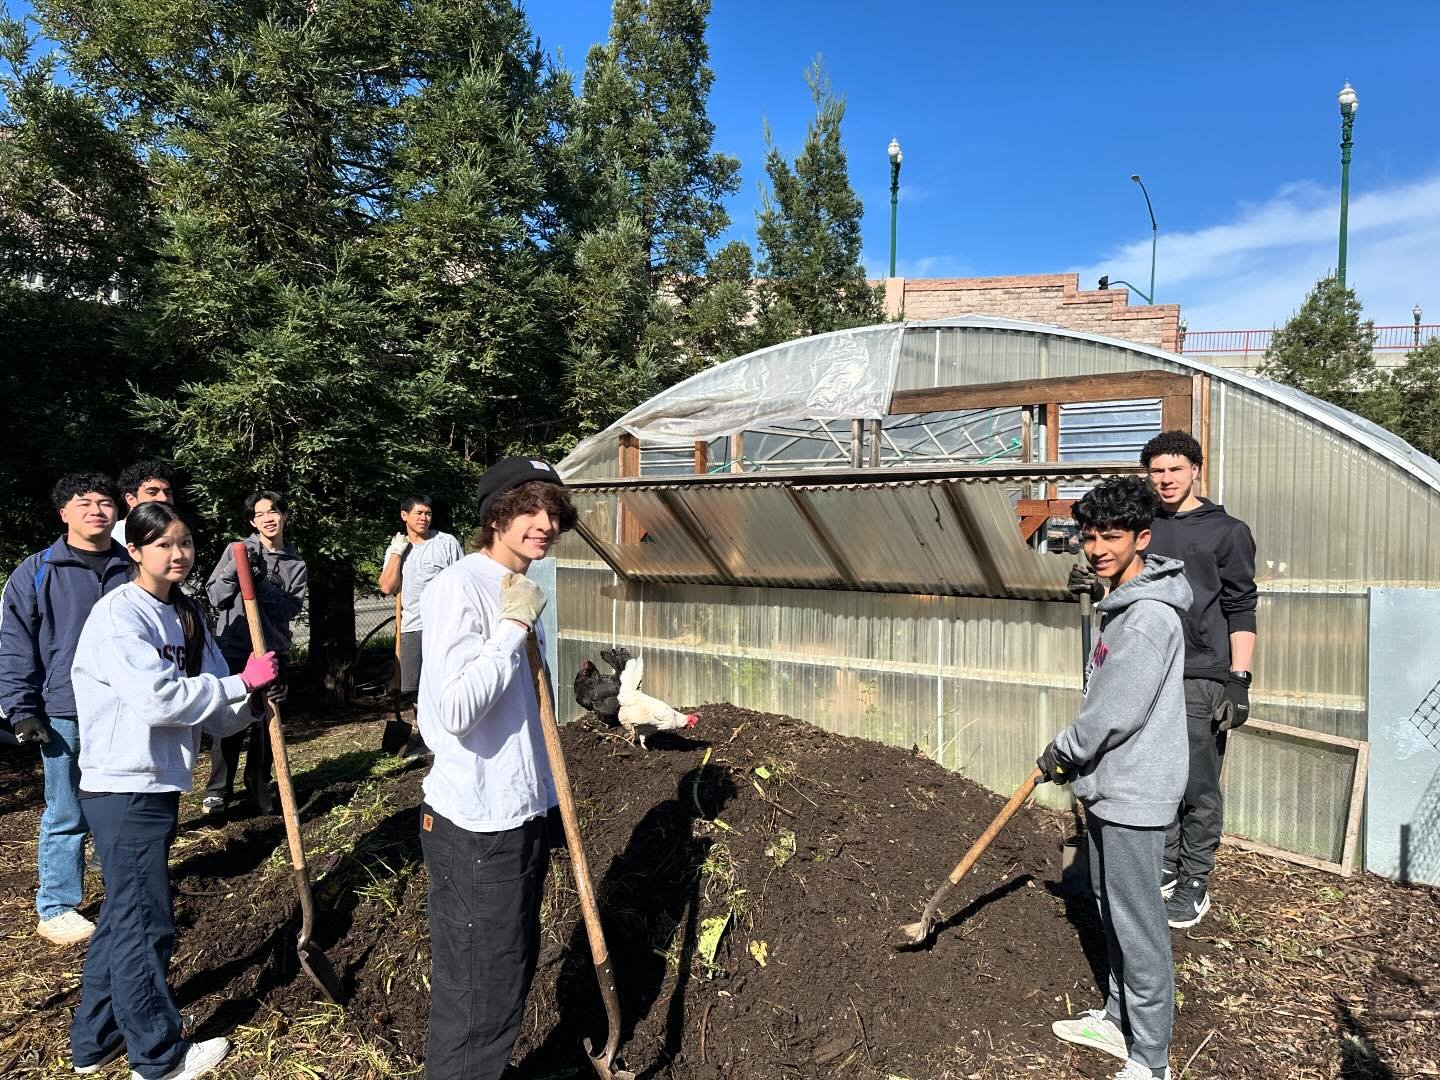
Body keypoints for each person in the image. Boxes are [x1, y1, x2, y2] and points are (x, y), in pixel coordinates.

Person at [68, 501, 280, 1079]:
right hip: (122, 784)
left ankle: (94, 1039)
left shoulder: (185, 616)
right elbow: (159, 700)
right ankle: (159, 1058)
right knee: (145, 923)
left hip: (156, 781)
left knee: (123, 917)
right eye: (161, 544)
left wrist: (253, 703)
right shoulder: (120, 616)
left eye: (184, 542)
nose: (177, 553)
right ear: (133, 551)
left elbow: (214, 706)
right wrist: (240, 682)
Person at [416, 458, 575, 1080]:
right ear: (496, 516)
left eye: (555, 511)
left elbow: (524, 715)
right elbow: (451, 711)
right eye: (531, 509)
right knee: (478, 993)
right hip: (477, 826)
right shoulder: (462, 586)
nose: (546, 523)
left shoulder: (523, 583)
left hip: (518, 813)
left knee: (505, 973)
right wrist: (512, 627)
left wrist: (548, 801)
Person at [1042, 475, 1191, 1080]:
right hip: (1112, 784)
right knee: (1108, 903)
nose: (1097, 547)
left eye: (1112, 535)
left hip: (1135, 788)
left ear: (1142, 538)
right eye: (1089, 535)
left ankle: (1150, 1060)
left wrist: (1066, 749)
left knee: (1137, 921)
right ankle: (1116, 1017)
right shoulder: (1120, 605)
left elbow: (1117, 710)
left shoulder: (1149, 618)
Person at [0, 473, 130, 945]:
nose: (97, 510)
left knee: (126, 804)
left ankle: (126, 890)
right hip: (65, 710)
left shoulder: (133, 565)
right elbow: (14, 644)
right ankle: (57, 905)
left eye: (104, 503)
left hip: (128, 708)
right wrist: (21, 708)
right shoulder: (38, 570)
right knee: (66, 809)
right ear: (63, 513)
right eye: (84, 503)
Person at [1141, 431, 1257, 928]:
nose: (1166, 480)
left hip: (1200, 671)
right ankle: (1165, 865)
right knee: (1154, 773)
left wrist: (1239, 679)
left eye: (1175, 469)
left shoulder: (1226, 531)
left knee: (1197, 782)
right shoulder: (1142, 525)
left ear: (1195, 470)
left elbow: (1240, 606)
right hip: (1149, 665)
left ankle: (1194, 880)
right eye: (1157, 471)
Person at [201, 491, 307, 815]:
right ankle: (218, 789)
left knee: (268, 719)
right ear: (252, 521)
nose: (268, 518)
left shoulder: (295, 564)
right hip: (234, 646)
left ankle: (258, 781)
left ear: (284, 515)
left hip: (271, 650)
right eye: (260, 514)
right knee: (230, 717)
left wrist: (261, 581)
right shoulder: (238, 550)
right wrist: (239, 569)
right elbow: (215, 594)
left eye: (273, 511)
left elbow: (288, 608)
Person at [377, 494, 462, 755]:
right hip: (412, 627)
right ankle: (426, 736)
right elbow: (387, 587)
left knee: (443, 682)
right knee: (414, 689)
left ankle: (450, 735)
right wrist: (395, 554)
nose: (424, 518)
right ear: (405, 516)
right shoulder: (398, 548)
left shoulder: (445, 542)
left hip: (443, 627)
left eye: (427, 513)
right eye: (418, 513)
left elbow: (462, 581)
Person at [112, 460, 176, 549]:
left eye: (167, 493)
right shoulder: (113, 537)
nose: (164, 498)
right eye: (152, 492)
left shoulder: (177, 531)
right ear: (131, 499)